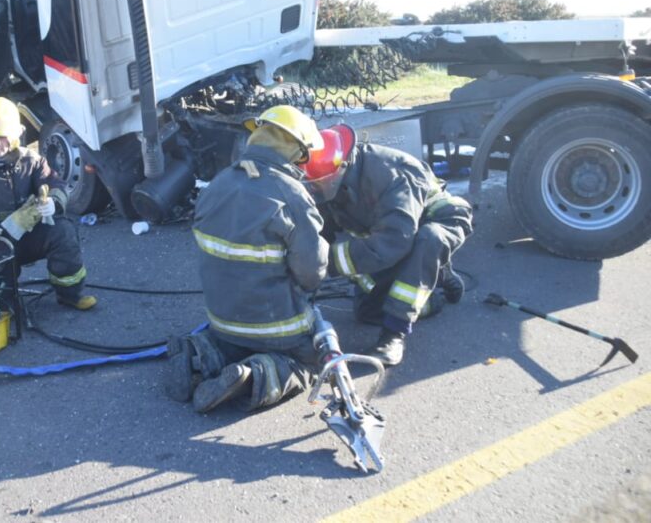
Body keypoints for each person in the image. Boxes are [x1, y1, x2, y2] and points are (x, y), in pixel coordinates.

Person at [165, 105, 330, 413]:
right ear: (294, 149)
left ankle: (200, 352)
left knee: (230, 343)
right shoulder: (291, 195)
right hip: (279, 330)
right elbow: (312, 273)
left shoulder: (217, 185)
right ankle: (255, 376)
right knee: (308, 363)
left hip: (221, 323)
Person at [301, 124, 473, 366]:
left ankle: (394, 336)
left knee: (427, 240)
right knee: (366, 312)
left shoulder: (390, 173)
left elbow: (394, 242)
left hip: (437, 222)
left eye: (320, 183)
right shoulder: (332, 181)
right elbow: (323, 232)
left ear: (341, 167)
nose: (315, 189)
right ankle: (436, 292)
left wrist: (327, 262)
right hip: (395, 235)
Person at [0, 96, 96, 310]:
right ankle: (4, 306)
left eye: (2, 137)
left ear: (14, 136)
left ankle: (70, 294)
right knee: (2, 301)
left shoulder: (32, 160)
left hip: (28, 234)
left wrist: (54, 202)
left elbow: (54, 183)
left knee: (63, 231)